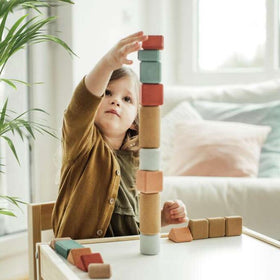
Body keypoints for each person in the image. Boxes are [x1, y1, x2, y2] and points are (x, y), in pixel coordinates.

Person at [51, 31, 187, 239]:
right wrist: (107, 63)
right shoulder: (81, 143)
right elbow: (81, 104)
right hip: (80, 254)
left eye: (127, 99)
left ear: (135, 120)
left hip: (126, 254)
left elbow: (136, 221)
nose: (116, 101)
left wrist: (162, 218)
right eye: (107, 93)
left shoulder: (136, 161)